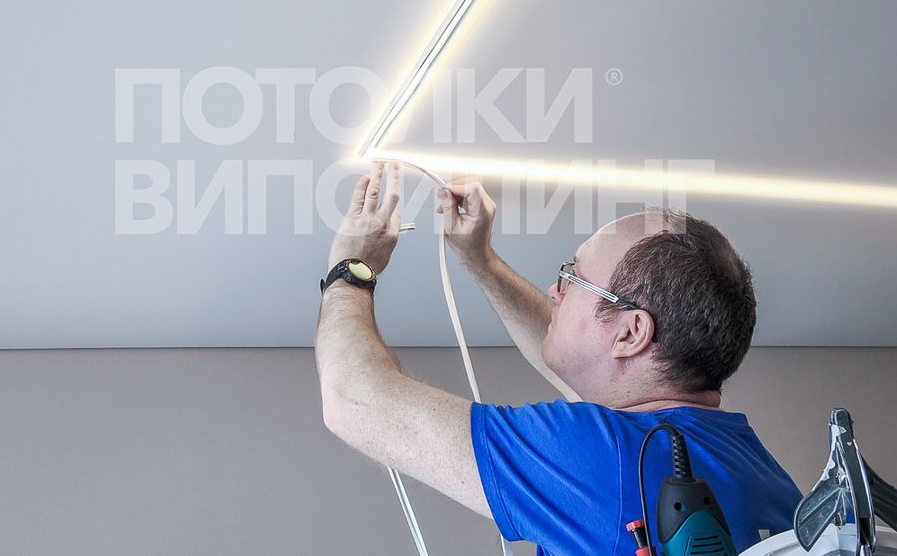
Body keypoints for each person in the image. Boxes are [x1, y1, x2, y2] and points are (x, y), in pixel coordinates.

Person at [315, 162, 800, 555]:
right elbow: (581, 359)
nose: (555, 290)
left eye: (574, 277)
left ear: (631, 333)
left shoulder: (600, 457)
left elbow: (354, 401)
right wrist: (480, 261)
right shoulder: (754, 466)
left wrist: (351, 268)